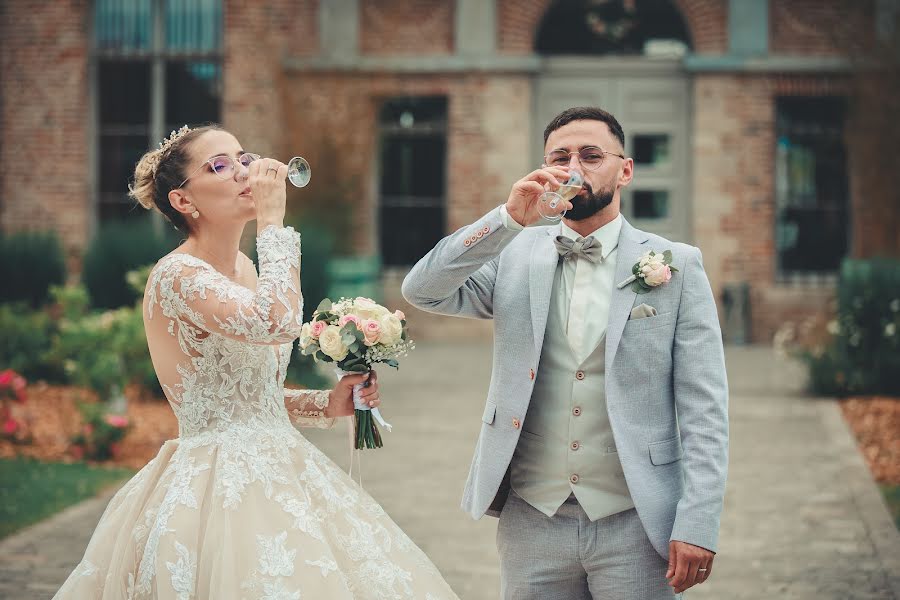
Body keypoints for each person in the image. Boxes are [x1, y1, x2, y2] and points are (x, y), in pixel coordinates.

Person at [54, 125, 459, 599]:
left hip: (283, 467)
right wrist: (273, 222)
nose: (244, 170)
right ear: (185, 202)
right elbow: (278, 322)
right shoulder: (178, 275)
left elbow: (255, 400)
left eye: (243, 157)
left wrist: (328, 403)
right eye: (219, 165)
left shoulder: (247, 270)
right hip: (217, 489)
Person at [402, 107, 729, 599]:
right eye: (561, 156)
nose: (574, 167)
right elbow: (422, 290)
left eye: (591, 155)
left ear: (625, 169)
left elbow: (705, 406)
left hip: (636, 519)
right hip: (533, 516)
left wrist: (698, 520)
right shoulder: (513, 254)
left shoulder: (675, 266)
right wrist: (507, 219)